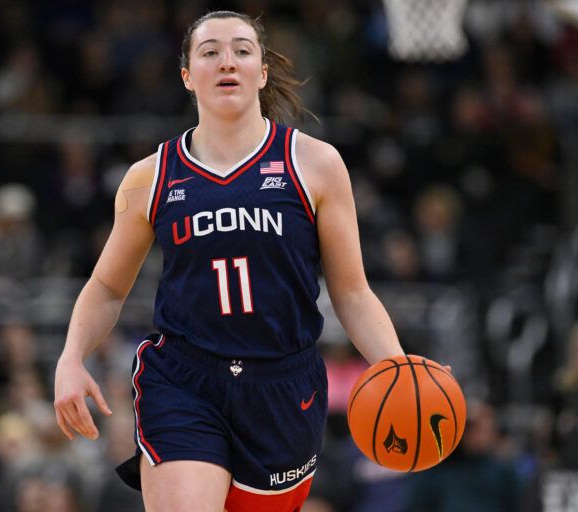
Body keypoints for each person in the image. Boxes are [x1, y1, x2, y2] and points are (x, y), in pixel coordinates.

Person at [54, 11, 404, 512]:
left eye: (242, 50)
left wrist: (396, 365)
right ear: (187, 75)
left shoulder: (316, 164)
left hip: (283, 386)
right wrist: (71, 358)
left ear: (262, 72)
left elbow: (351, 292)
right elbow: (107, 288)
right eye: (210, 51)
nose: (227, 62)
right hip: (184, 381)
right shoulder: (149, 177)